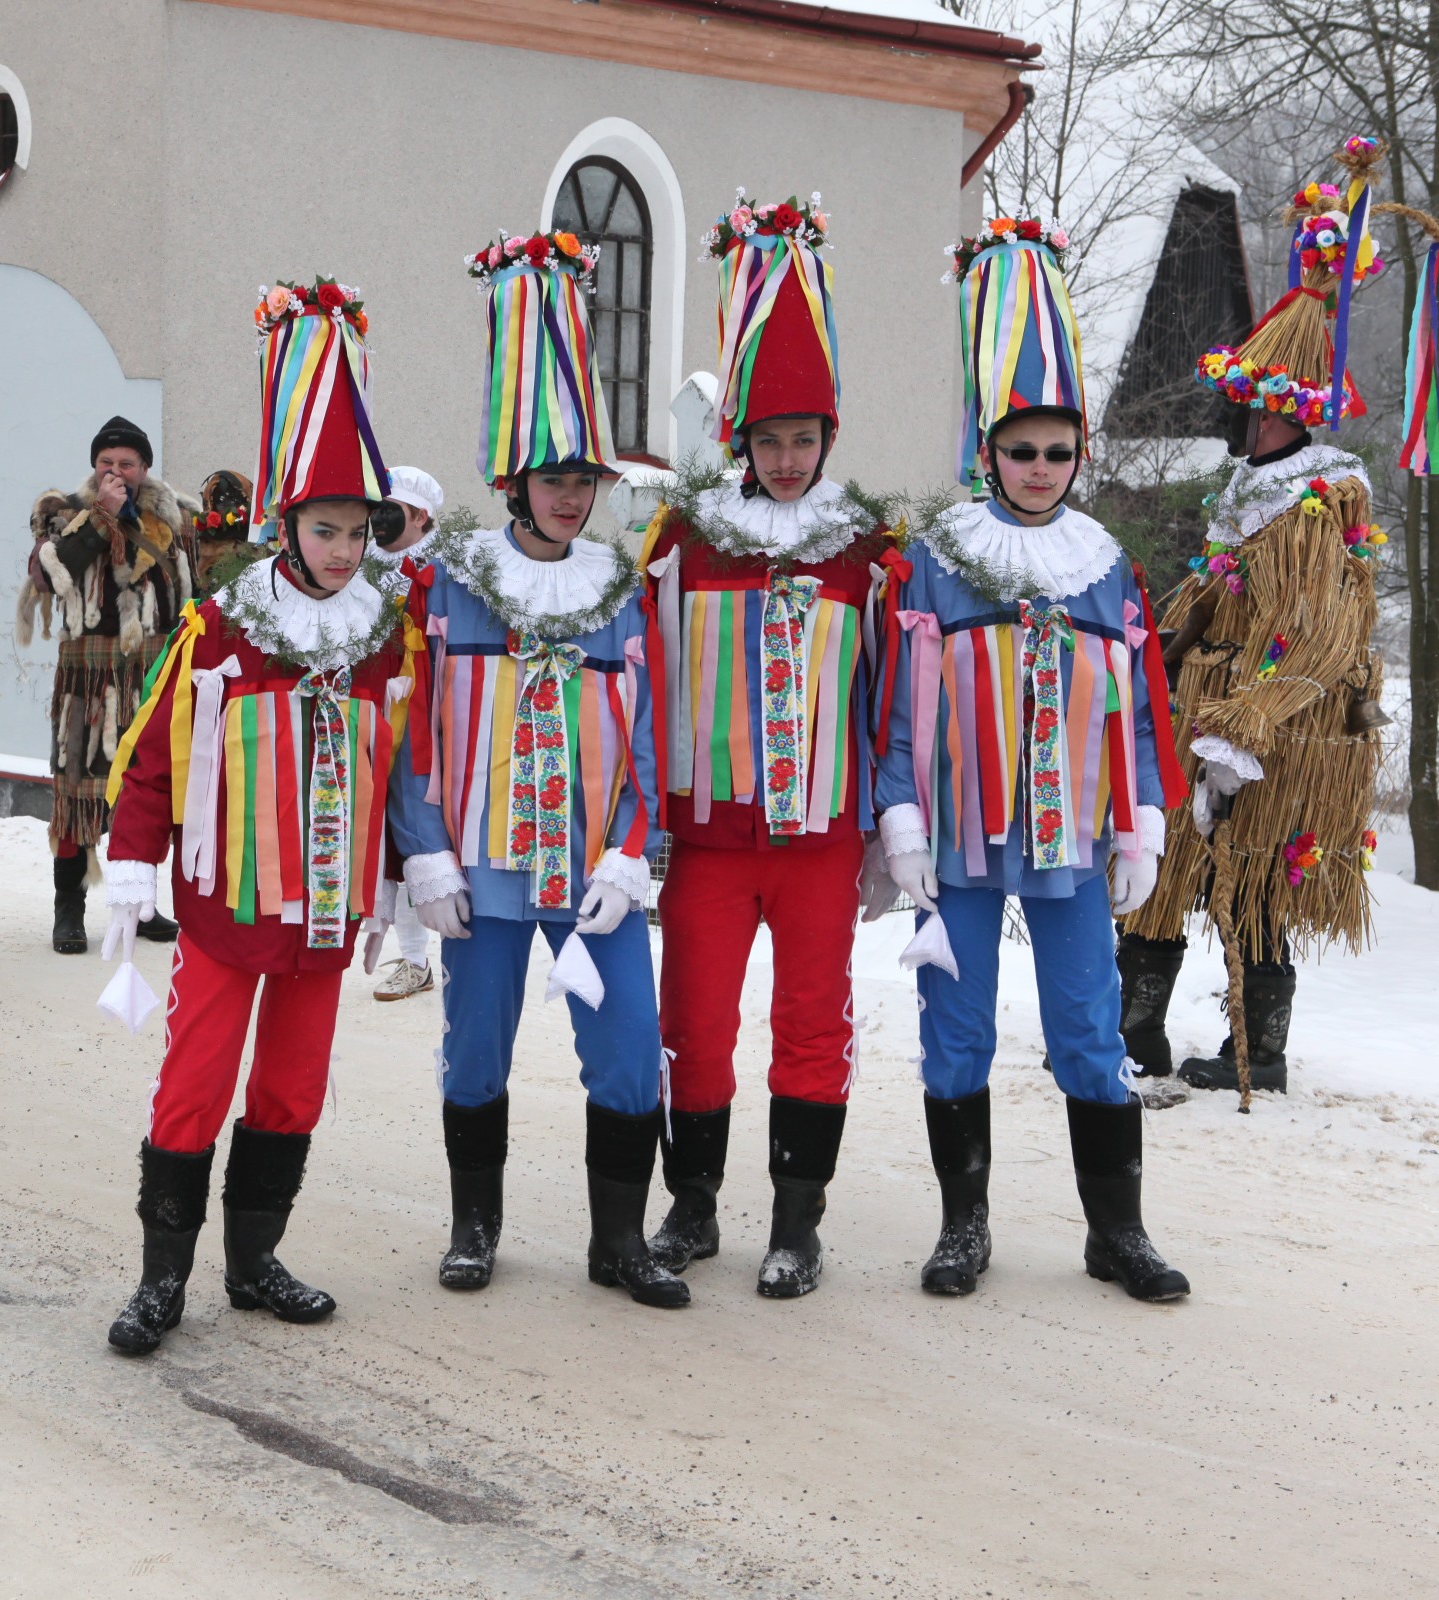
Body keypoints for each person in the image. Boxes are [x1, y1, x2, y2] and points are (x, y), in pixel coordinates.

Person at [874, 217, 1188, 1302]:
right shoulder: (942, 561)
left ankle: (1117, 1232)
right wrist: (900, 814)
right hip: (961, 835)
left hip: (1068, 835)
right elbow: (902, 708)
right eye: (1022, 450)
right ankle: (965, 1227)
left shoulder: (1104, 566)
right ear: (989, 449)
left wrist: (1143, 816)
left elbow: (1142, 711)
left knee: (1088, 1027)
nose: (1042, 469)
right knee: (954, 1027)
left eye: (1059, 451)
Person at [98, 276, 413, 1355]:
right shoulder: (224, 629)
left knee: (291, 1086)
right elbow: (153, 751)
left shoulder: (381, 638)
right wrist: (133, 860)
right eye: (325, 529)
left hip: (324, 904)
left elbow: (399, 765)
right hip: (227, 897)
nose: (342, 549)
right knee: (194, 1080)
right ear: (289, 523)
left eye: (359, 532)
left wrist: (411, 872)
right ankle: (162, 1277)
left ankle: (254, 1258)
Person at [390, 229, 685, 1309]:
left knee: (625, 1050)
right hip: (484, 867)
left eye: (586, 478)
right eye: (555, 477)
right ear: (516, 480)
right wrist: (423, 858)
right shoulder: (453, 586)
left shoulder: (619, 589)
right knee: (475, 1052)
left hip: (594, 875)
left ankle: (619, 1241)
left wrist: (631, 854)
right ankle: (476, 1225)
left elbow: (647, 733)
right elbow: (416, 731)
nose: (572, 496)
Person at [634, 194, 890, 1298]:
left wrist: (892, 820)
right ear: (741, 442)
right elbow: (639, 677)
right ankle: (692, 1204)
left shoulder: (866, 549)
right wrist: (638, 818)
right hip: (710, 833)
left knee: (811, 1022)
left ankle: (797, 1219)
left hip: (821, 836)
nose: (786, 460)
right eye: (769, 440)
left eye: (804, 440)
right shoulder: (688, 539)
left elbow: (895, 694)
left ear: (828, 439)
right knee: (691, 1019)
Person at [1118, 142, 1389, 1097]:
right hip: (1207, 712)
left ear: (1298, 414)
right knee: (1166, 868)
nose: (1249, 421)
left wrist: (1242, 736)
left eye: (1265, 408)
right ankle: (1134, 1029)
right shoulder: (1248, 493)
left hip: (1278, 731)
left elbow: (1319, 637)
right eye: (1245, 406)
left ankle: (1257, 1053)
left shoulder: (1318, 504)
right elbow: (1210, 597)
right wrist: (1152, 643)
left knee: (1262, 884)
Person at [21, 417, 197, 954]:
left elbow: (193, 591)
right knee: (77, 793)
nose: (116, 472)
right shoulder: (63, 513)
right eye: (107, 463)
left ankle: (140, 904)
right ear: (94, 467)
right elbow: (48, 576)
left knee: (145, 791)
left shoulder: (175, 519)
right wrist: (101, 516)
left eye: (127, 464)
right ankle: (68, 913)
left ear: (145, 469)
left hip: (150, 679)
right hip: (87, 678)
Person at [364, 464, 445, 1002]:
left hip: (424, 723)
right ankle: (412, 958)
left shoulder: (441, 573)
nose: (378, 521)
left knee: (419, 832)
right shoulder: (361, 568)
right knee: (385, 834)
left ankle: (427, 958)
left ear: (420, 516)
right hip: (374, 716)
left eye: (392, 510)